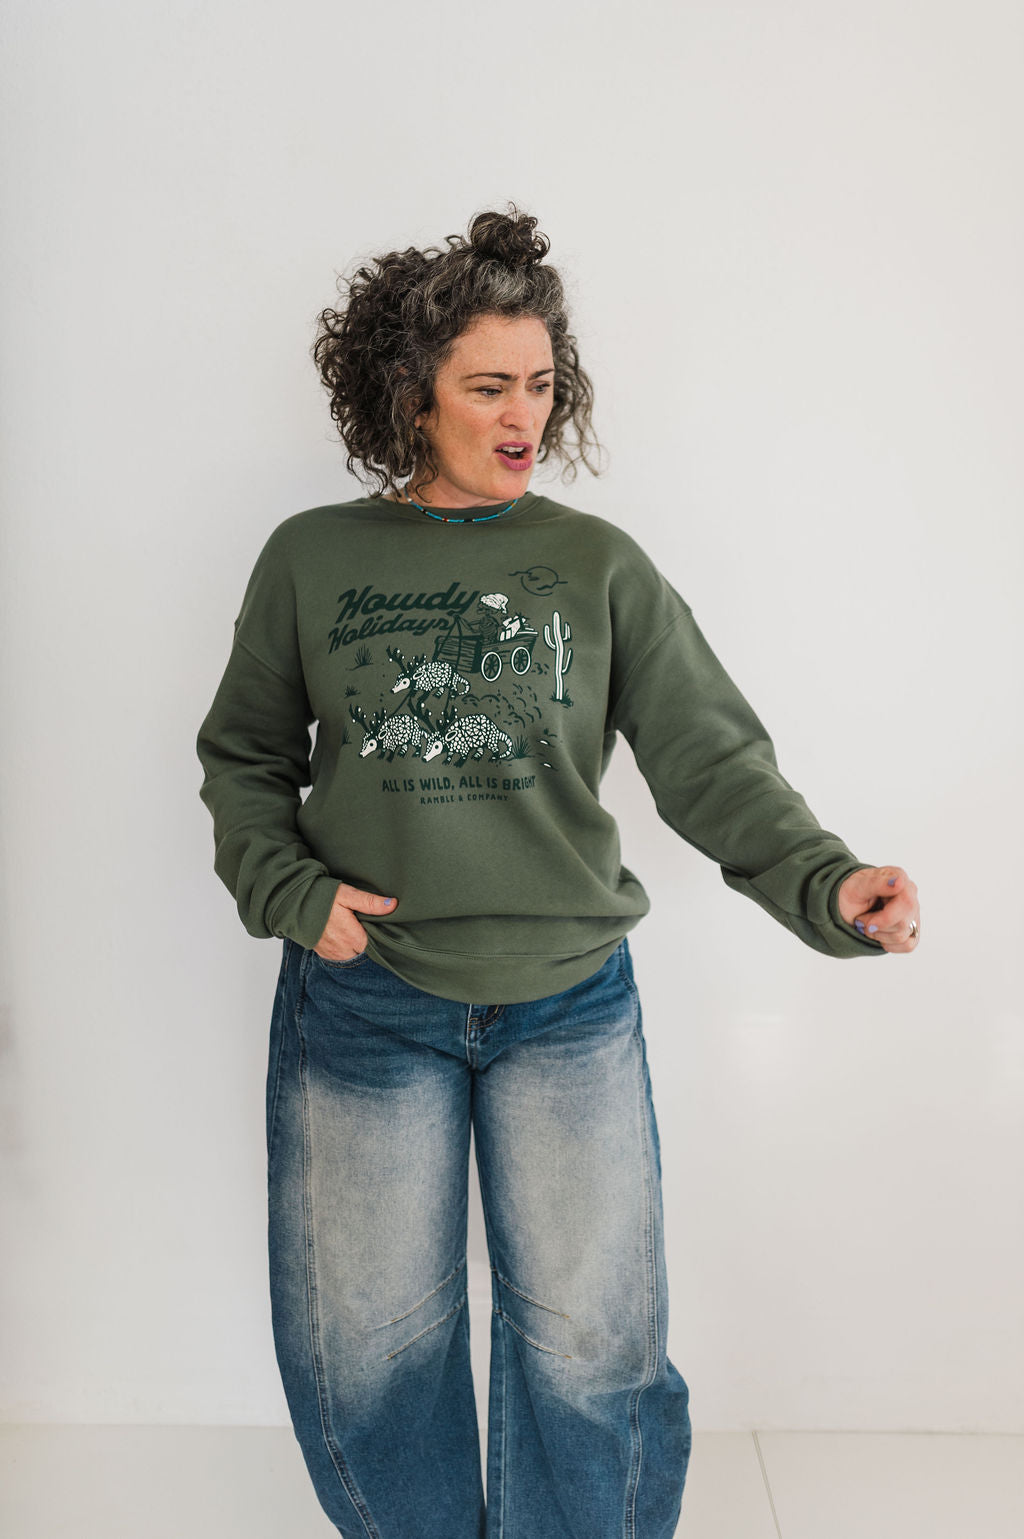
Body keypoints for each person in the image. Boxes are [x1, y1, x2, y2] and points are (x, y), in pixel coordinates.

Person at [195, 206, 921, 1539]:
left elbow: (709, 757)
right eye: (489, 386)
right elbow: (244, 756)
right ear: (411, 395)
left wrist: (825, 881)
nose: (524, 413)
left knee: (595, 1351)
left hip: (568, 1001)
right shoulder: (312, 556)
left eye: (541, 382)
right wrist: (291, 892)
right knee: (368, 1352)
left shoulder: (597, 565)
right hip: (366, 999)